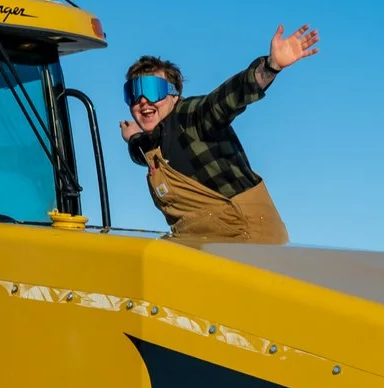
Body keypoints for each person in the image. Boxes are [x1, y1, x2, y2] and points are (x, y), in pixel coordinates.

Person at [119, 26, 319, 245]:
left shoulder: (190, 116)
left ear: (174, 95)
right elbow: (140, 149)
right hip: (202, 240)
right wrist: (132, 137)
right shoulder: (151, 143)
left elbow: (226, 100)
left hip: (247, 235)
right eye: (134, 93)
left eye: (153, 89)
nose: (143, 100)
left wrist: (270, 67)